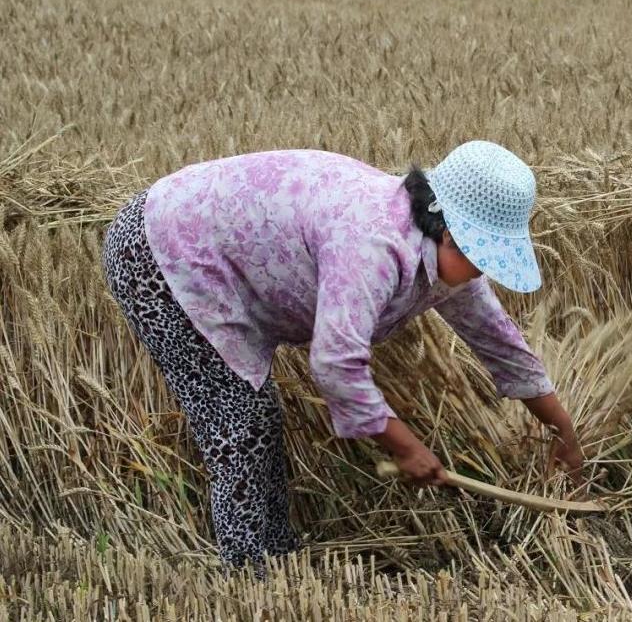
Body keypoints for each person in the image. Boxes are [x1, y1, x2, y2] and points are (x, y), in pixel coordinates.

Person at [101, 140, 584, 578]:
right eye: (479, 254)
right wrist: (406, 447)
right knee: (240, 421)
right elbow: (335, 362)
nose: (482, 271)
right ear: (446, 230)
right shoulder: (373, 242)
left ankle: (274, 555)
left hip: (217, 251)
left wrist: (564, 433)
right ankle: (249, 572)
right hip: (161, 247)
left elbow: (502, 346)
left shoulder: (447, 258)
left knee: (257, 417)